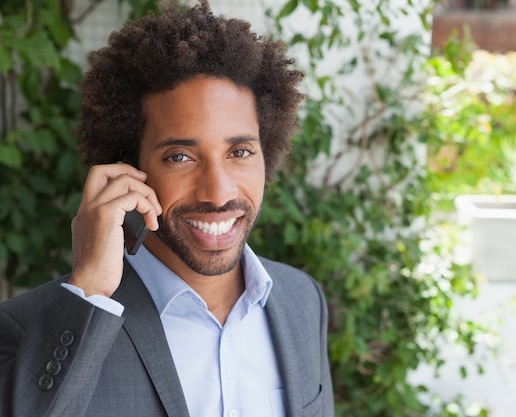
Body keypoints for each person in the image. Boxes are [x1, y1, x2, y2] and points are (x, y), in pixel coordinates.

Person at [0, 1, 334, 416]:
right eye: (180, 156)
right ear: (128, 169)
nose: (217, 192)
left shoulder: (302, 300)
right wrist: (90, 289)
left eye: (240, 151)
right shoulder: (28, 328)